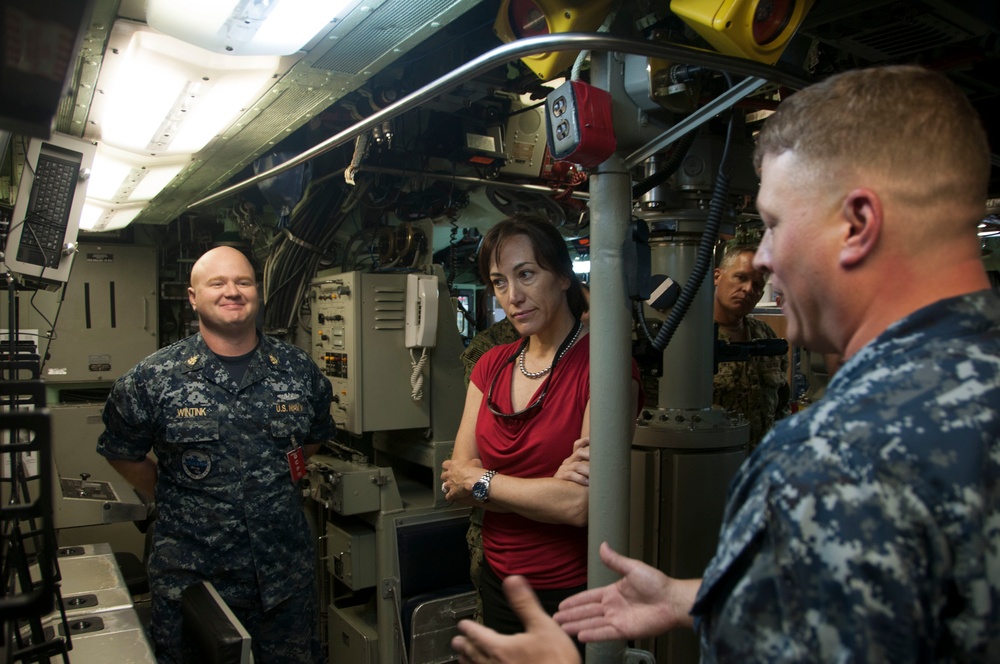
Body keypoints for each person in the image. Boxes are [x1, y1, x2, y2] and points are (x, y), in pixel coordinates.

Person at [453, 64, 1000, 662]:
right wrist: (702, 600)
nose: (762, 259)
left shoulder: (846, 454)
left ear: (858, 224)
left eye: (772, 224)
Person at [97, 246, 335, 664]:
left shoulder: (297, 369)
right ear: (193, 297)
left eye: (243, 282)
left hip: (282, 579)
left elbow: (313, 435)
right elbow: (122, 450)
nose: (233, 292)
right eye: (218, 283)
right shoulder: (154, 377)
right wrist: (175, 493)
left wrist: (268, 480)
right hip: (194, 579)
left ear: (257, 293)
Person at [441, 215, 641, 639]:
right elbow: (456, 485)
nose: (512, 296)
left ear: (564, 277)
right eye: (499, 282)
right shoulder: (489, 366)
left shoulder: (605, 368)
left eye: (526, 274)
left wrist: (484, 481)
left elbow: (579, 506)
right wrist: (544, 490)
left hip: (573, 594)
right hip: (498, 585)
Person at [712, 243, 790, 451]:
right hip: (711, 462)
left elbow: (781, 405)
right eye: (741, 277)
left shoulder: (765, 336)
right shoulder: (691, 338)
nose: (748, 290)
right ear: (717, 276)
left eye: (757, 286)